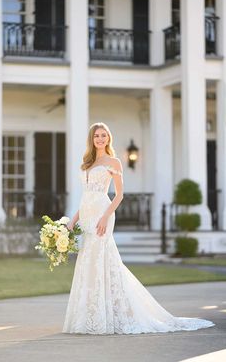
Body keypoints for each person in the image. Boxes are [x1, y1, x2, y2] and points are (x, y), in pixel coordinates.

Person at [62, 122, 214, 334]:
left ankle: (110, 315)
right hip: (87, 215)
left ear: (109, 138)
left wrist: (105, 217)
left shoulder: (113, 161)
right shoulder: (87, 162)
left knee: (101, 258)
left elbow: (119, 194)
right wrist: (72, 221)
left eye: (104, 135)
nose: (100, 139)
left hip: (102, 213)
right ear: (92, 138)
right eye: (96, 135)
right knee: (88, 261)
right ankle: (89, 316)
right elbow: (85, 196)